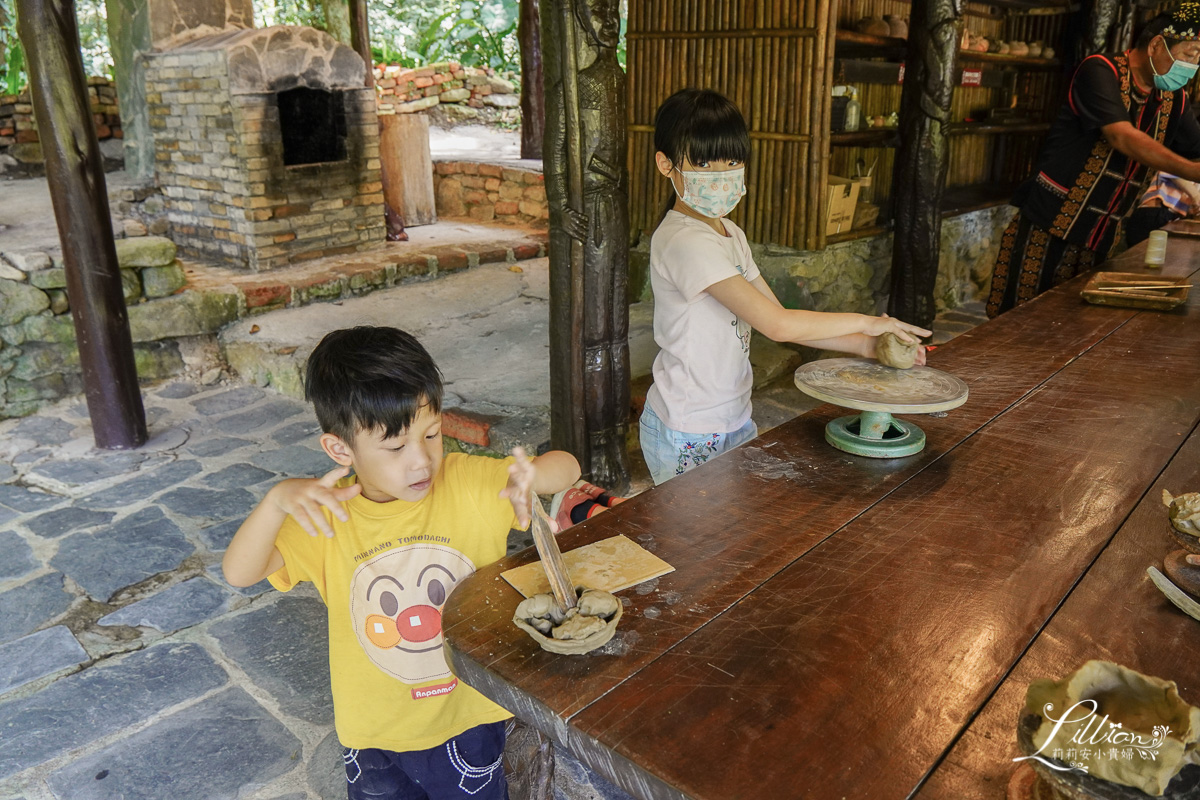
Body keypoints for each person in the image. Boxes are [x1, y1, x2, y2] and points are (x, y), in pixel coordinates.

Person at [221, 326, 581, 800]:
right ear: (339, 449)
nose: (422, 462)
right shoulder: (328, 514)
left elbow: (568, 467)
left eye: (431, 434)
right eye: (395, 447)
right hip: (372, 729)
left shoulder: (468, 482)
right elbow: (239, 572)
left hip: (468, 718)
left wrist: (530, 475)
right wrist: (275, 502)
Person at [639, 88, 931, 486]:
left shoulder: (729, 233)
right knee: (696, 546)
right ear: (665, 164)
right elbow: (779, 325)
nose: (721, 174)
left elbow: (774, 315)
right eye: (704, 162)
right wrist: (867, 323)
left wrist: (867, 347)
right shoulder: (684, 241)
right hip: (688, 427)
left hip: (734, 416)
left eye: (732, 160)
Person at [986, 6, 1200, 318]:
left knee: (1073, 328)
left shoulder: (1174, 99)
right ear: (1156, 45)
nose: (1193, 65)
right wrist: (1192, 172)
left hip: (1102, 236)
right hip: (1051, 224)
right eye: (1191, 54)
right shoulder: (1100, 70)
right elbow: (1121, 137)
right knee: (1018, 320)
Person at [1126, 171, 1200, 244]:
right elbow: (1171, 170)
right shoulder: (1181, 164)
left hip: (1169, 217)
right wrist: (1196, 196)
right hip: (1155, 213)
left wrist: (1195, 208)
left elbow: (1192, 207)